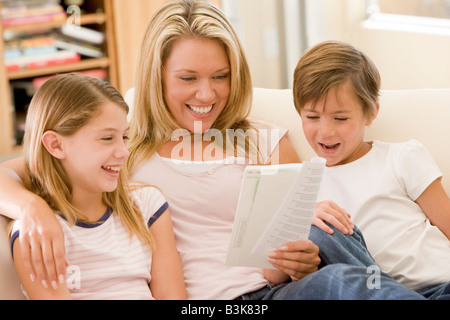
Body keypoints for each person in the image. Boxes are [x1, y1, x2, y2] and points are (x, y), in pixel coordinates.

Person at [0, 0, 425, 300]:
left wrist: (302, 261)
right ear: (158, 76)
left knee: (337, 263)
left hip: (280, 290)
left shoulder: (265, 140)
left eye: (220, 76)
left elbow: (302, 258)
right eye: (188, 78)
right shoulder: (120, 147)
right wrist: (30, 208)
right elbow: (20, 169)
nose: (207, 93)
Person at [292, 40, 450, 299]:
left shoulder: (402, 157)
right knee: (320, 230)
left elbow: (447, 221)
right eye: (312, 117)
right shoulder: (300, 184)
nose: (326, 131)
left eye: (340, 118)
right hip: (375, 291)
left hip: (442, 284)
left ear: (371, 113)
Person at [8, 74, 186, 300]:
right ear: (55, 145)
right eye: (107, 138)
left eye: (124, 136)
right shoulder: (36, 232)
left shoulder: (147, 205)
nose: (124, 152)